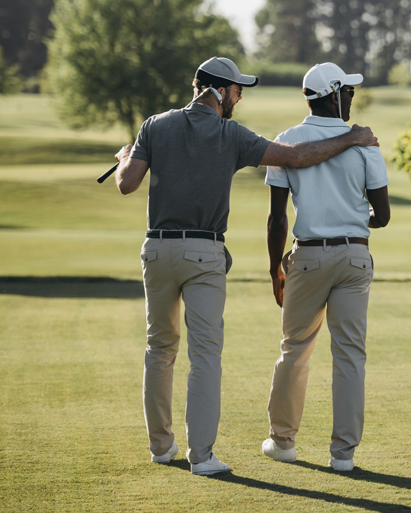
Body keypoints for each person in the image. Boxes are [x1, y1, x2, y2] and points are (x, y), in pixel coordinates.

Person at [111, 57, 380, 476]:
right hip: (204, 255)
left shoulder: (154, 125)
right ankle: (201, 457)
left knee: (159, 349)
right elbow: (296, 157)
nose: (239, 97)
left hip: (157, 250)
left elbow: (127, 182)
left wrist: (127, 155)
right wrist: (352, 138)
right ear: (219, 91)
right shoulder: (230, 133)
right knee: (204, 357)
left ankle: (161, 448)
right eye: (237, 90)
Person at [260, 62, 390, 472]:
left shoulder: (286, 141)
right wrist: (353, 220)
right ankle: (344, 455)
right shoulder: (365, 142)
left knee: (294, 349)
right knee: (350, 355)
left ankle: (283, 442)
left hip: (307, 256)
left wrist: (272, 268)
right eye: (347, 91)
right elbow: (382, 215)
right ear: (333, 94)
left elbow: (277, 217)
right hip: (353, 256)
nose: (352, 97)